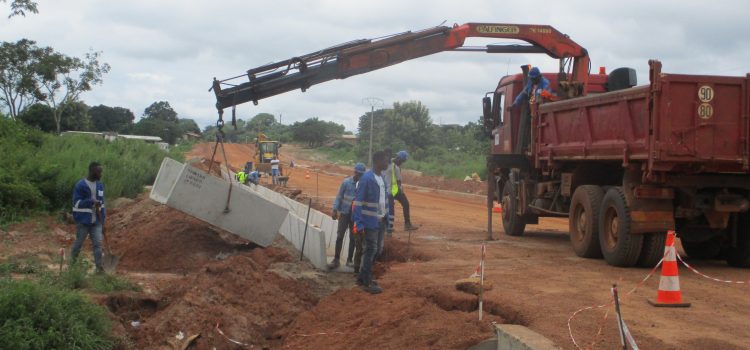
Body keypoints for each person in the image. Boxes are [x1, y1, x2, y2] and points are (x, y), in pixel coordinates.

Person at [353, 151, 390, 294]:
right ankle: (367, 282)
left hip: (381, 221)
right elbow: (357, 202)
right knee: (371, 250)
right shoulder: (366, 179)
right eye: (386, 161)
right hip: (370, 222)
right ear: (378, 161)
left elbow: (384, 200)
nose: (387, 163)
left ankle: (363, 276)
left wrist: (388, 218)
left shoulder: (382, 178)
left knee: (377, 250)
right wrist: (359, 223)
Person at [327, 163, 366, 270]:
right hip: (344, 214)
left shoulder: (363, 185)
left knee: (353, 238)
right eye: (358, 174)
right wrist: (335, 209)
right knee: (340, 236)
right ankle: (336, 259)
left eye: (362, 175)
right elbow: (339, 196)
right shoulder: (346, 182)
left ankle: (349, 260)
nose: (360, 176)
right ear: (355, 172)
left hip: (355, 216)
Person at [71, 162, 106, 273]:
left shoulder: (100, 185)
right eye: (99, 172)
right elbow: (76, 204)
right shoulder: (80, 185)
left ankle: (99, 269)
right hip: (83, 221)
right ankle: (72, 266)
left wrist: (103, 222)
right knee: (79, 243)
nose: (101, 174)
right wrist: (91, 202)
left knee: (98, 245)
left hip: (97, 222)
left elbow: (102, 205)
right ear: (92, 171)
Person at [384, 150, 418, 233]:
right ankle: (388, 227)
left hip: (394, 190)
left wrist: (399, 189)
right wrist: (400, 189)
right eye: (402, 161)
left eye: (403, 161)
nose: (402, 163)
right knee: (390, 208)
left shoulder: (397, 166)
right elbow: (398, 181)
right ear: (399, 158)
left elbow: (398, 180)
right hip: (389, 190)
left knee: (405, 203)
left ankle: (407, 224)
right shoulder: (391, 164)